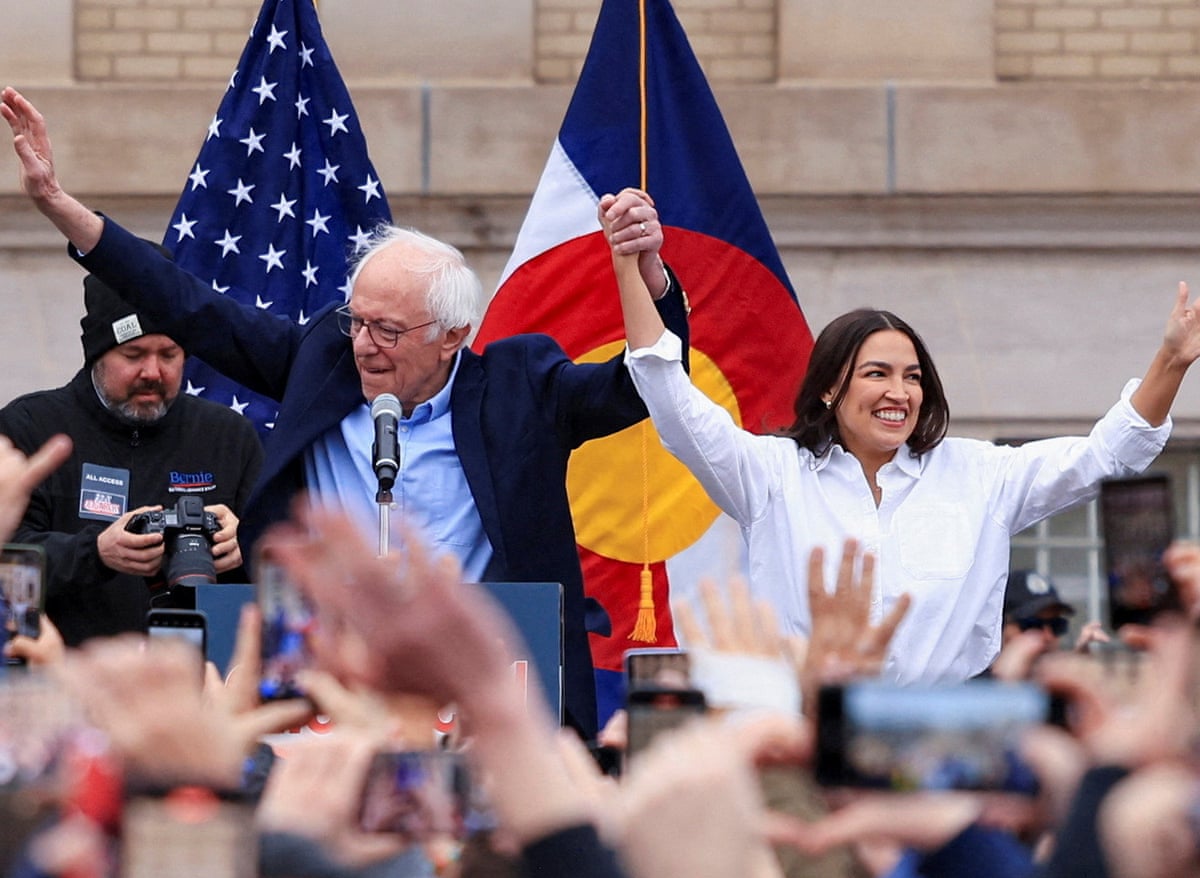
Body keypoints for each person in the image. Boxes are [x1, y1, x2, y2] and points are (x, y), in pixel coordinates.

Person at [2, 87, 689, 736]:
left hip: (483, 680)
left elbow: (644, 386)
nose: (364, 346)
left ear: (452, 335)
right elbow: (186, 303)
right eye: (358, 323)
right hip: (326, 679)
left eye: (388, 331)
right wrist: (58, 203)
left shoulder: (521, 390)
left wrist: (648, 275)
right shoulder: (321, 365)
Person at [599, 188, 1200, 685]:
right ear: (831, 388)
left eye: (912, 377)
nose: (899, 393)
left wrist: (1171, 362)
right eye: (877, 374)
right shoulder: (770, 474)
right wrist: (632, 267)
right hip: (806, 728)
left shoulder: (978, 475)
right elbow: (671, 400)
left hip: (950, 738)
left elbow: (1105, 457)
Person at [0, 261, 263, 646]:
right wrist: (96, 553)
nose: (152, 371)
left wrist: (247, 544)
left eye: (169, 354)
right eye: (134, 354)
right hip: (62, 682)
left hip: (198, 688)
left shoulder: (228, 436)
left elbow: (289, 573)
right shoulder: (30, 428)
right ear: (97, 355)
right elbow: (7, 565)